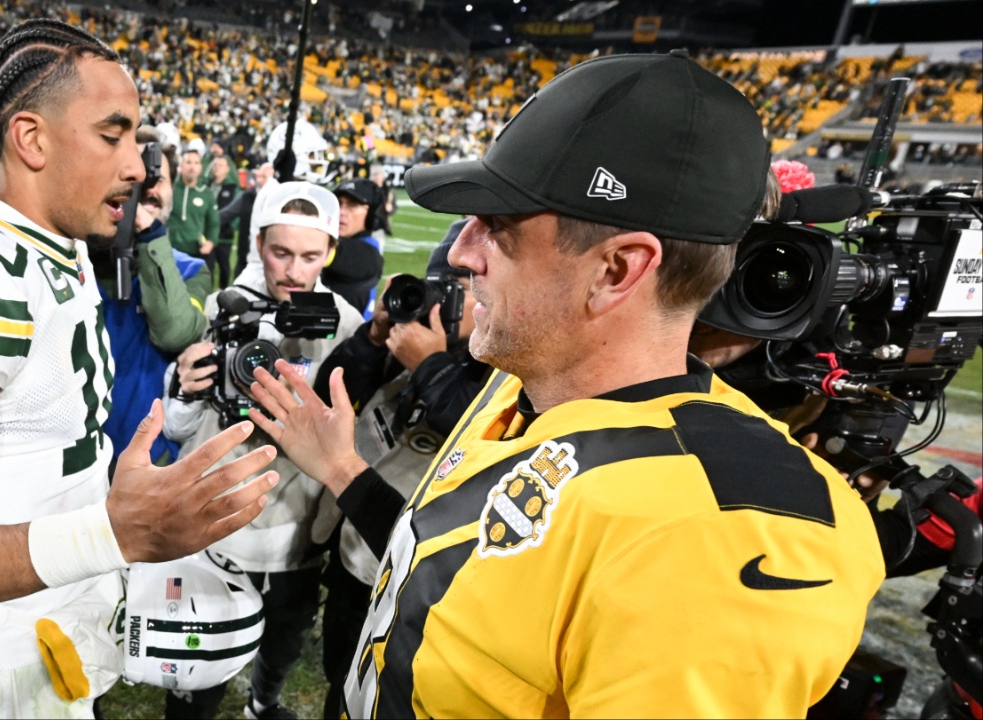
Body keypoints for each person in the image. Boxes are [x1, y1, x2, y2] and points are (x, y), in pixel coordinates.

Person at [246, 51, 884, 718]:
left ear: (616, 270)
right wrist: (342, 467)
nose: (461, 252)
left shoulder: (722, 531)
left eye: (498, 227)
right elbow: (450, 561)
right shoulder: (527, 380)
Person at [0, 19, 276, 719]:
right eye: (112, 135)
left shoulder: (58, 242)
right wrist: (115, 532)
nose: (137, 165)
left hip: (50, 615)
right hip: (0, 644)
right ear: (31, 139)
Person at [162, 181, 365, 720]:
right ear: (257, 244)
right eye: (280, 253)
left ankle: (262, 703)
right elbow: (181, 428)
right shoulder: (221, 309)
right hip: (218, 523)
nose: (294, 271)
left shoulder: (346, 324)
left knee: (283, 640)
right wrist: (184, 384)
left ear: (330, 252)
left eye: (310, 256)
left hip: (297, 532)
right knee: (196, 656)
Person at [311, 224, 490, 717]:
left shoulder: (502, 376)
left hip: (408, 578)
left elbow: (472, 437)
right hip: (353, 547)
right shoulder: (405, 345)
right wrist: (372, 338)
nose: (438, 306)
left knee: (383, 686)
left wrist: (431, 364)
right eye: (435, 289)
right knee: (340, 672)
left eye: (459, 292)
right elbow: (331, 391)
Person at [97, 124, 210, 464]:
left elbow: (174, 332)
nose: (145, 188)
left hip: (149, 460)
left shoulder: (191, 270)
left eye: (156, 178)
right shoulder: (77, 261)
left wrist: (147, 235)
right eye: (132, 177)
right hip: (76, 463)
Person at [321, 178, 384, 319]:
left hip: (346, 339)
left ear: (371, 215)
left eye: (352, 205)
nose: (341, 211)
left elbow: (317, 248)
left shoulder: (367, 255)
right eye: (338, 203)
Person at [167, 148, 219, 266]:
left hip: (196, 253)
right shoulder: (170, 189)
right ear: (181, 165)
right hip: (171, 251)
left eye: (196, 163)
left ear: (201, 167)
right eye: (189, 162)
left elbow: (214, 223)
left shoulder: (206, 193)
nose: (192, 167)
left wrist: (210, 242)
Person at [207, 154, 238, 288]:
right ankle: (207, 293)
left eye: (221, 165)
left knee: (224, 266)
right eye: (215, 165)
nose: (217, 168)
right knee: (208, 268)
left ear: (227, 169)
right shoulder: (206, 186)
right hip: (207, 236)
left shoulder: (233, 188)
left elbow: (236, 212)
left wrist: (231, 226)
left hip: (224, 236)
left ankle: (223, 292)